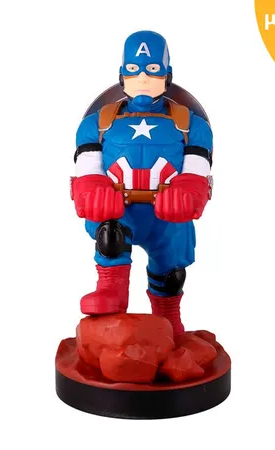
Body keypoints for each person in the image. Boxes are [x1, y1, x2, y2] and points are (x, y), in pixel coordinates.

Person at [71, 30, 213, 335]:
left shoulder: (192, 125)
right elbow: (87, 168)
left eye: (153, 70)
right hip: (118, 210)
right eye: (134, 70)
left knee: (170, 270)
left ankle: (168, 317)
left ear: (167, 74)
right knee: (110, 239)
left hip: (168, 215)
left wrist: (188, 191)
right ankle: (111, 290)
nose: (143, 78)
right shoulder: (97, 123)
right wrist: (93, 190)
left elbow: (197, 169)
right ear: (122, 74)